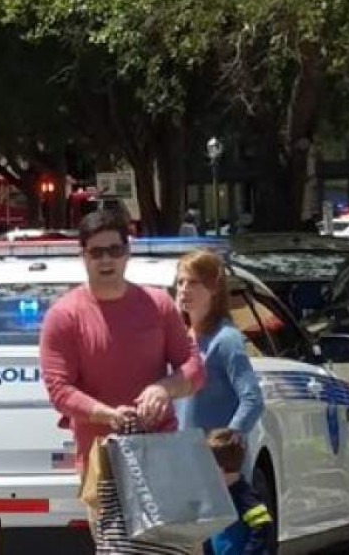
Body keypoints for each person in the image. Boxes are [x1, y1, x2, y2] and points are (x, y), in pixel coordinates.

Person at [39, 212, 205, 529]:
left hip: (160, 451)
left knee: (174, 548)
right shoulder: (64, 316)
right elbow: (60, 392)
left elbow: (194, 369)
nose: (106, 260)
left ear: (127, 253)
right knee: (117, 548)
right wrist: (108, 415)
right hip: (102, 461)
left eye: (115, 250)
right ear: (83, 256)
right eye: (97, 252)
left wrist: (163, 389)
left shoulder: (158, 305)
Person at [175, 250, 264, 446]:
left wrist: (227, 439)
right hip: (179, 456)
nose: (184, 289)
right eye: (180, 282)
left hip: (215, 466)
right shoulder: (177, 337)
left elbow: (252, 399)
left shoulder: (225, 339)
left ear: (214, 288)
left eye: (193, 282)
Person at [204, 428, 273, 555]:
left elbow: (263, 524)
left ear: (219, 469)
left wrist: (250, 551)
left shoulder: (244, 496)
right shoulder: (220, 496)